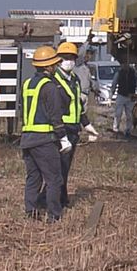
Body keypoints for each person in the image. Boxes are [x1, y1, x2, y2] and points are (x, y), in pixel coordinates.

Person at [21, 46, 70, 222]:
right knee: (54, 179)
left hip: (27, 139)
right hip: (44, 140)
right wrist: (63, 137)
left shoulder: (27, 84)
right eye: (55, 64)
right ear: (49, 67)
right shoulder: (49, 87)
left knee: (33, 178)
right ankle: (53, 216)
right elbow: (55, 115)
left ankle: (31, 212)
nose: (56, 67)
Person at [55, 47, 99, 207]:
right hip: (60, 129)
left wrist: (86, 124)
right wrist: (60, 133)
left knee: (65, 167)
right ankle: (55, 199)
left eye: (72, 58)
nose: (70, 61)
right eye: (66, 58)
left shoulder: (74, 79)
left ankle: (61, 196)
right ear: (59, 59)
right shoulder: (54, 79)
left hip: (73, 128)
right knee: (58, 167)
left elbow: (77, 105)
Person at [110, 61, 137, 136]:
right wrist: (110, 97)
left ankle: (128, 130)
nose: (125, 65)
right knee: (118, 113)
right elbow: (114, 85)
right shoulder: (119, 73)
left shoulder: (134, 73)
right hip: (121, 95)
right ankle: (115, 129)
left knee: (130, 115)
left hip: (131, 96)